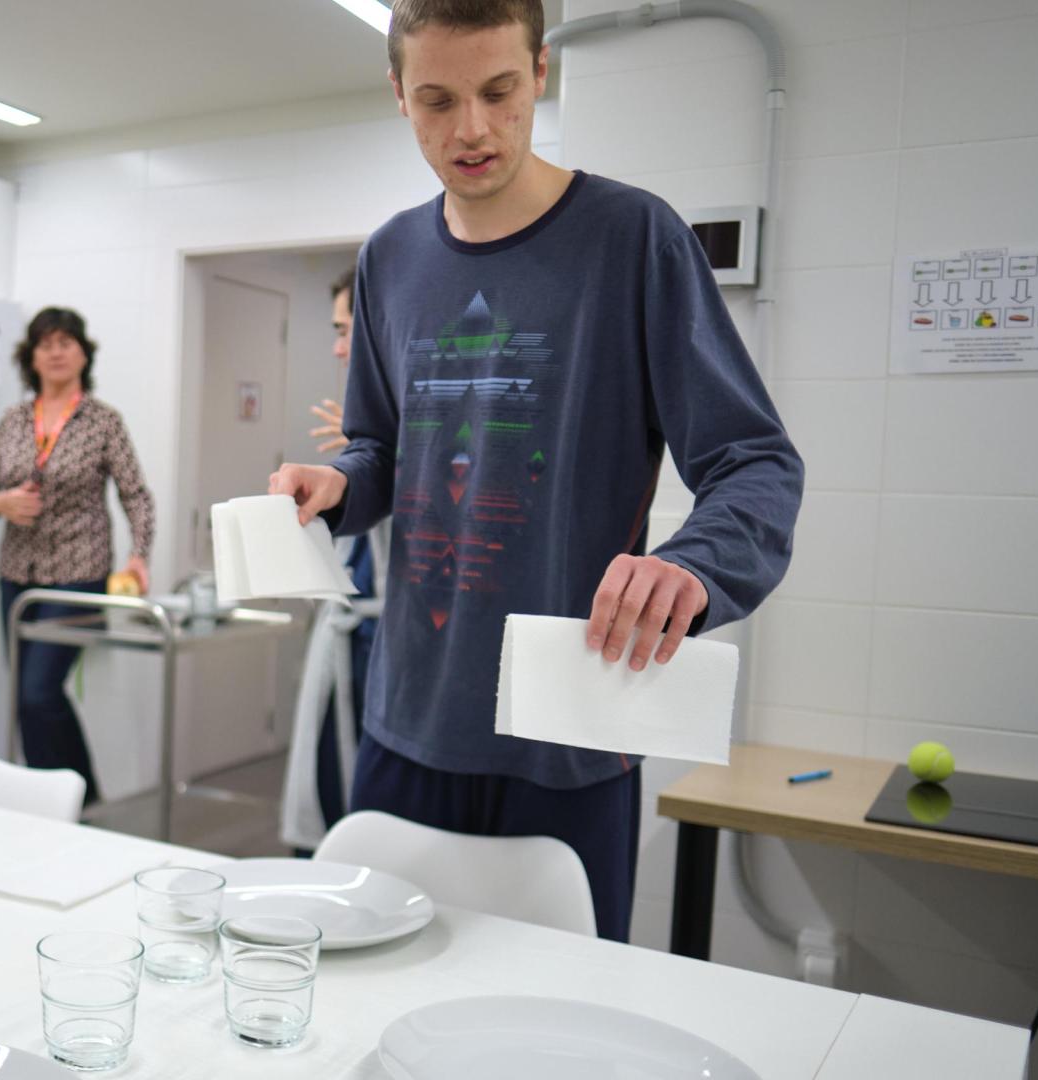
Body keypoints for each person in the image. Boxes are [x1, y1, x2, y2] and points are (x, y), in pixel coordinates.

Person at [269, 0, 804, 941]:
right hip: (410, 718)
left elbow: (754, 461)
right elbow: (381, 446)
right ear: (399, 94)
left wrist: (692, 564)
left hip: (569, 727)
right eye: (437, 101)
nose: (471, 129)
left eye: (499, 91)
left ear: (540, 73)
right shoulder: (390, 257)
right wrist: (342, 485)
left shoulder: (633, 238)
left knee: (555, 1010)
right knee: (374, 996)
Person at [0, 307, 155, 806]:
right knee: (23, 698)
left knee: (39, 691)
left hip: (78, 572)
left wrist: (139, 554)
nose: (55, 352)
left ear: (83, 354)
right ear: (30, 357)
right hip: (17, 572)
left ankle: (78, 799)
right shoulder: (13, 420)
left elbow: (135, 494)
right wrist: (0, 503)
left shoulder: (103, 421)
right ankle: (52, 802)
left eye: (65, 342)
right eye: (45, 344)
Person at [281, 267, 390, 851]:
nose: (339, 348)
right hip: (353, 628)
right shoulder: (363, 421)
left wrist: (376, 459)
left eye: (348, 330)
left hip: (386, 640)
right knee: (330, 786)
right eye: (337, 331)